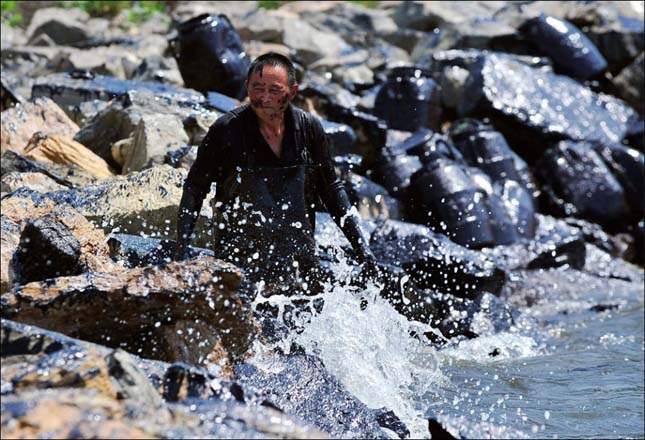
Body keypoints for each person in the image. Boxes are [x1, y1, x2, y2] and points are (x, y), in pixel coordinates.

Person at [176, 52, 377, 289]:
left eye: (274, 90)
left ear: (292, 92)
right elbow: (194, 188)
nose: (264, 98)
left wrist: (362, 249)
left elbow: (331, 190)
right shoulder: (226, 130)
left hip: (298, 262)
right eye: (257, 88)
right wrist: (182, 250)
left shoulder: (309, 129)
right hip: (239, 262)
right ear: (246, 88)